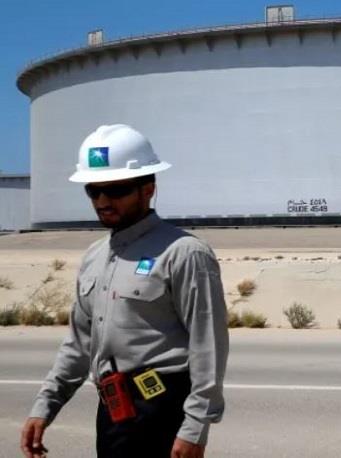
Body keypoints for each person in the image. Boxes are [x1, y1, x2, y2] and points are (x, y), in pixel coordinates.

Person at [20, 124, 229, 458]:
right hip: (114, 412)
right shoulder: (95, 257)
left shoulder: (184, 253)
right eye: (93, 191)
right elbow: (79, 343)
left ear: (148, 189)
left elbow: (208, 346)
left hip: (163, 412)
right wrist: (45, 405)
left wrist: (195, 427)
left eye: (116, 190)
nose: (103, 201)